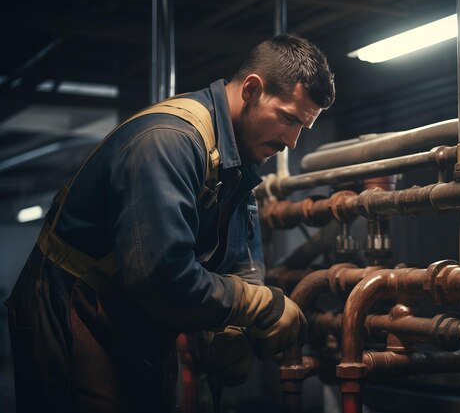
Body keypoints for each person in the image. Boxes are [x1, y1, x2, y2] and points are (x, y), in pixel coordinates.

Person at [6, 34, 335, 412]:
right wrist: (257, 305)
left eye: (302, 129)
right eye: (289, 119)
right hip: (73, 303)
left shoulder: (237, 156)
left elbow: (239, 251)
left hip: (130, 311)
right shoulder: (168, 141)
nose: (293, 142)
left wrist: (232, 326)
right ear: (252, 90)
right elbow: (161, 276)